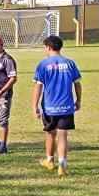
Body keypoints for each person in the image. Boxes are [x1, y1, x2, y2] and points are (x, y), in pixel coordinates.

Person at [32, 35, 82, 177]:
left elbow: (38, 86)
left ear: (48, 47)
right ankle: (62, 166)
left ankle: (49, 160)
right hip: (66, 106)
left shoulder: (43, 65)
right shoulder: (70, 63)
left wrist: (34, 105)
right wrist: (78, 100)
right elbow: (77, 84)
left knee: (50, 134)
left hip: (49, 107)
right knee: (63, 136)